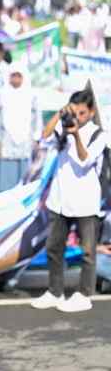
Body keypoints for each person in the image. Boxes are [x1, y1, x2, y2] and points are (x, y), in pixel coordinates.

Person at [31, 90, 109, 313]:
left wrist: (75, 136)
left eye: (82, 113)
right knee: (54, 247)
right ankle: (55, 291)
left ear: (91, 112)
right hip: (60, 198)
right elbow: (44, 137)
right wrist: (60, 114)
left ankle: (84, 294)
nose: (78, 117)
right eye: (74, 112)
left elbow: (85, 161)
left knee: (87, 252)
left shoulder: (98, 135)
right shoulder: (64, 125)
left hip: (85, 201)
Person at [0, 63, 41, 191]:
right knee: (7, 181)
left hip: (26, 141)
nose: (15, 79)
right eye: (13, 76)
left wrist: (37, 139)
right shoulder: (3, 95)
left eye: (18, 76)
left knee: (25, 180)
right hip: (7, 142)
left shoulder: (31, 95)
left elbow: (37, 118)